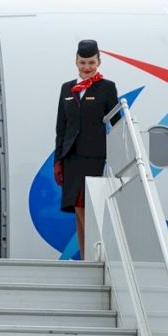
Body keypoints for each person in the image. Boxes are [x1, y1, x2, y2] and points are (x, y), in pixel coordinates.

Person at [54, 40, 119, 260]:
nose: (87, 67)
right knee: (77, 207)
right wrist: (58, 160)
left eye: (91, 62)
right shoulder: (67, 89)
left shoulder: (107, 88)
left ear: (99, 62)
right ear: (76, 62)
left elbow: (116, 122)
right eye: (83, 63)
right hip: (71, 157)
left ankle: (94, 255)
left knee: (84, 205)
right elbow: (61, 127)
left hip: (93, 156)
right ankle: (85, 258)